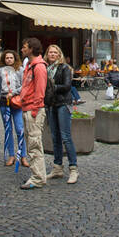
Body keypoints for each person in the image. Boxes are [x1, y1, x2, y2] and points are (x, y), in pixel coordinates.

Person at [14, 38, 49, 189]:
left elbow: (40, 91)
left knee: (35, 144)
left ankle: (38, 178)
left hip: (33, 110)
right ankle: (37, 175)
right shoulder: (29, 65)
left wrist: (34, 110)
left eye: (24, 47)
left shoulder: (39, 67)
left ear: (31, 49)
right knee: (31, 144)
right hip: (27, 108)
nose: (22, 49)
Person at [44, 45, 79, 184]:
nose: (52, 54)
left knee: (65, 137)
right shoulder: (47, 69)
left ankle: (73, 168)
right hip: (51, 104)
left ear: (59, 54)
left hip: (63, 104)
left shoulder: (64, 68)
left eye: (55, 52)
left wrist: (52, 87)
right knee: (55, 137)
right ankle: (57, 167)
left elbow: (67, 86)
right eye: (50, 52)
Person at [0, 50, 25, 168]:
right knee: (8, 130)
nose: (9, 60)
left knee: (20, 129)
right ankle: (11, 155)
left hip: (17, 102)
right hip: (4, 102)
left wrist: (13, 92)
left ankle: (22, 155)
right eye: (7, 58)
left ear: (15, 59)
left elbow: (24, 85)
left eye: (11, 58)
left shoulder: (20, 70)